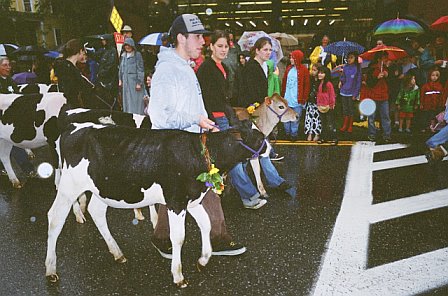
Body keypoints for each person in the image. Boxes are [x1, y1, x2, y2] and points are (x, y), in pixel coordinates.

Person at [148, 14, 246, 258]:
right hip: (175, 146)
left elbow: (191, 104)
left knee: (191, 191)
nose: (203, 41)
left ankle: (165, 237)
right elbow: (159, 115)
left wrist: (205, 123)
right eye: (198, 36)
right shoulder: (168, 70)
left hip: (191, 142)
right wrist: (196, 120)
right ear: (181, 38)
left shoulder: (185, 67)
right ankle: (216, 237)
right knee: (195, 190)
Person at [196, 30, 268, 210]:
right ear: (211, 47)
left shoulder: (225, 67)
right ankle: (249, 196)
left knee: (233, 155)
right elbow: (205, 97)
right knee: (232, 155)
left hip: (225, 115)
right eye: (219, 46)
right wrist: (212, 120)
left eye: (226, 46)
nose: (223, 49)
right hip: (215, 118)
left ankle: (244, 194)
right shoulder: (206, 68)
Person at [236, 36, 296, 196]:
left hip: (259, 112)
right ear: (257, 50)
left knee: (262, 149)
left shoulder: (264, 66)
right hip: (252, 113)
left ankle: (273, 181)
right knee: (254, 150)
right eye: (265, 49)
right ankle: (262, 184)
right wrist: (255, 106)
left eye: (270, 50)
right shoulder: (251, 67)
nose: (268, 52)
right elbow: (246, 91)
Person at [0, 56, 35, 177]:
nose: (8, 67)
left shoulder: (10, 81)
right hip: (3, 119)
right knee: (13, 142)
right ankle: (27, 168)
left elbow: (18, 96)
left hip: (12, 117)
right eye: (5, 65)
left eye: (9, 65)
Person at [54, 39, 94, 108]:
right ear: (81, 51)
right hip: (72, 108)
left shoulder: (66, 67)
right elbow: (70, 93)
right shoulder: (68, 69)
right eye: (84, 53)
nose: (85, 56)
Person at [281, 49, 310, 141]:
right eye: (290, 58)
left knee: (295, 118)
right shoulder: (288, 68)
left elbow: (307, 85)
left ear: (297, 59)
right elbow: (284, 82)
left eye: (293, 58)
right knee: (285, 117)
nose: (291, 60)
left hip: (297, 100)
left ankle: (294, 134)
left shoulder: (304, 70)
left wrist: (304, 98)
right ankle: (287, 133)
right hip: (287, 98)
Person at [364, 51, 392, 142]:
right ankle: (372, 134)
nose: (386, 60)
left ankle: (387, 135)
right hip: (373, 96)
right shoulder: (372, 69)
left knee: (385, 116)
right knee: (371, 117)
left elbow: (393, 82)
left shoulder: (387, 69)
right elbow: (369, 83)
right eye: (384, 58)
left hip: (384, 96)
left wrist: (387, 76)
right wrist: (377, 78)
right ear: (379, 59)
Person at [119, 37, 145, 115]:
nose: (127, 47)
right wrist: (120, 79)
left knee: (134, 102)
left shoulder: (137, 55)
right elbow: (121, 68)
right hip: (126, 82)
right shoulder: (123, 55)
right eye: (126, 45)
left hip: (134, 83)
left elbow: (140, 69)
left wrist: (139, 82)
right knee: (127, 101)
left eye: (129, 45)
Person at [338, 51, 362, 134]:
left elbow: (358, 82)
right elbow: (344, 78)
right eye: (348, 57)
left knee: (351, 109)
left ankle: (350, 125)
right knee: (345, 109)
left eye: (351, 57)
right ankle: (345, 125)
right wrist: (341, 80)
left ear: (355, 58)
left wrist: (356, 93)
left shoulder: (357, 68)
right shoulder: (345, 67)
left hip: (352, 92)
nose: (349, 59)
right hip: (344, 91)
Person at [96, 36, 119, 109]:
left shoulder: (112, 51)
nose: (102, 42)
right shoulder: (104, 50)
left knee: (111, 97)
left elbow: (110, 65)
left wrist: (102, 73)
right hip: (104, 78)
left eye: (104, 40)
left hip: (110, 79)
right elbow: (96, 57)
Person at [316, 66, 337, 145]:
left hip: (328, 106)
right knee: (323, 123)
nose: (319, 75)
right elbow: (318, 95)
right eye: (319, 73)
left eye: (322, 73)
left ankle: (334, 138)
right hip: (321, 106)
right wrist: (318, 104)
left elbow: (332, 95)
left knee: (330, 123)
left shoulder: (328, 84)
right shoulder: (319, 84)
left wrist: (332, 104)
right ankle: (324, 138)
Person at [419, 68, 445, 132]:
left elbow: (441, 96)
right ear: (429, 76)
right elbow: (422, 95)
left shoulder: (440, 86)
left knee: (433, 116)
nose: (434, 77)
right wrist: (421, 103)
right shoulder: (425, 86)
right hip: (426, 105)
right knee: (426, 116)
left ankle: (432, 127)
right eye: (433, 75)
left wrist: (441, 104)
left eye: (436, 76)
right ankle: (424, 127)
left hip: (435, 105)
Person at [304, 63, 322, 141]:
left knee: (317, 118)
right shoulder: (311, 79)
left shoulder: (321, 81)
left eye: (314, 70)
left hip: (318, 102)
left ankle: (317, 133)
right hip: (311, 101)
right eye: (312, 70)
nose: (312, 72)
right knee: (309, 117)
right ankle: (310, 133)